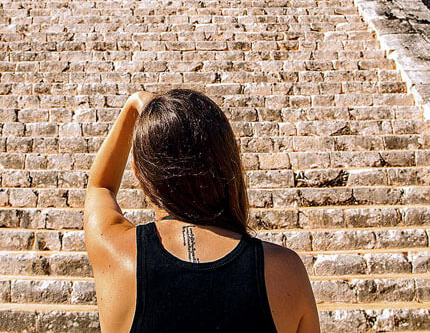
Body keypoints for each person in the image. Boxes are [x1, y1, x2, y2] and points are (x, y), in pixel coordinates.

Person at [84, 88, 321, 333]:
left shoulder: (115, 251)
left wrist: (134, 105)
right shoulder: (285, 271)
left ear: (137, 171)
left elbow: (100, 186)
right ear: (227, 163)